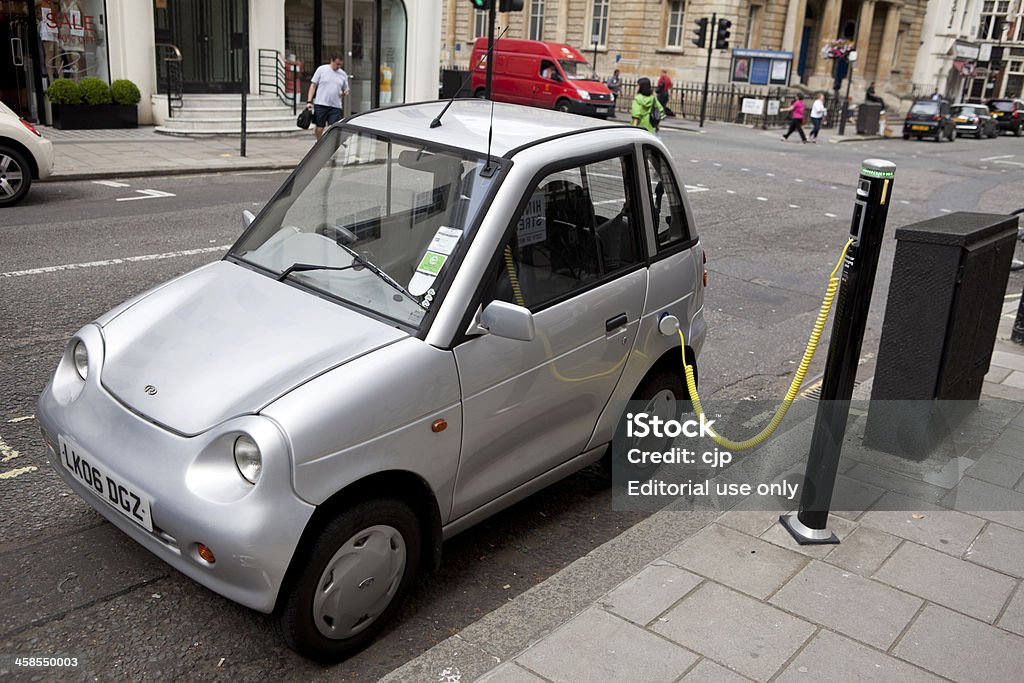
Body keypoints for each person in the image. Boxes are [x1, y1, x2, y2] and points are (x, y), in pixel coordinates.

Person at [305, 53, 350, 140]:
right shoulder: (321, 69)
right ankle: (318, 141)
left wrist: (344, 92)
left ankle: (329, 144)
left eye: (340, 64)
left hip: (335, 105)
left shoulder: (343, 74)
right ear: (331, 61)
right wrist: (309, 101)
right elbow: (313, 85)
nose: (338, 66)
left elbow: (346, 89)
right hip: (321, 103)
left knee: (333, 127)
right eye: (337, 64)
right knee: (319, 127)